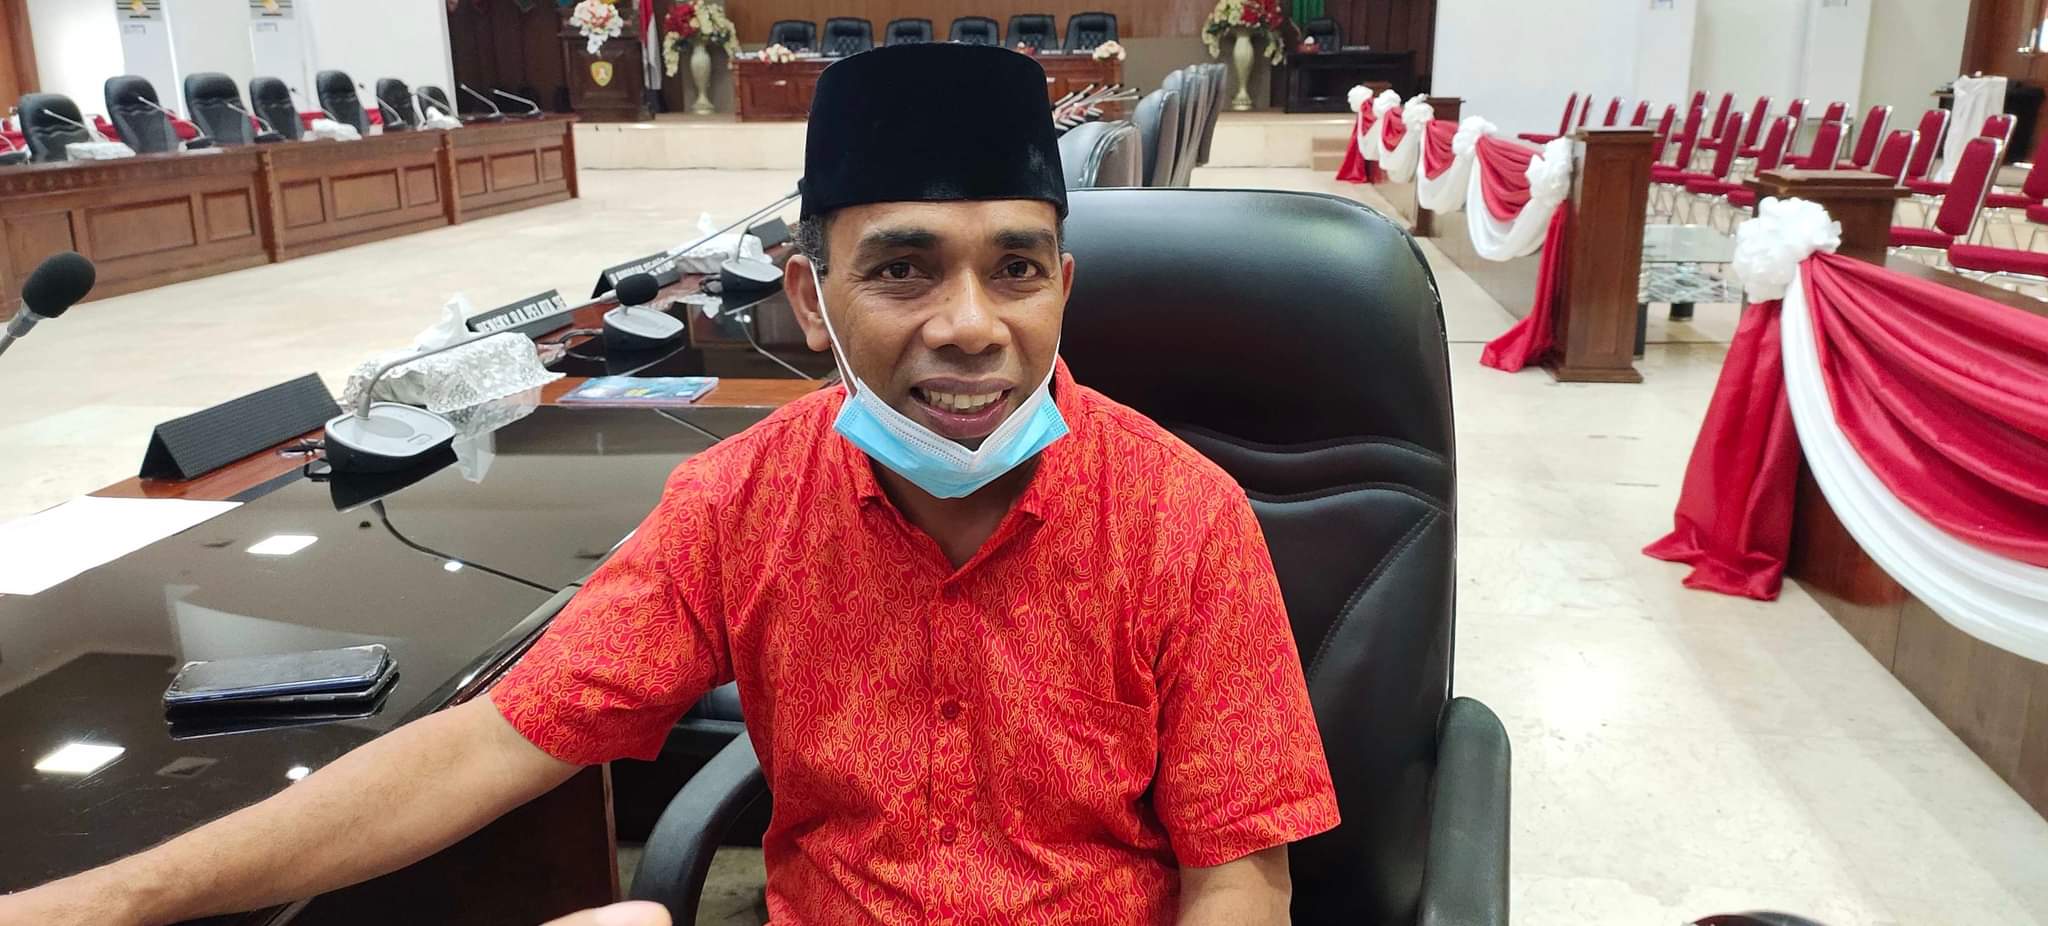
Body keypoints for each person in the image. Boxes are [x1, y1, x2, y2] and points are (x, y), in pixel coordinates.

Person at [0, 43, 1336, 926]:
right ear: (809, 296)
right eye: (904, 269)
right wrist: (107, 900)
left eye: (1017, 268)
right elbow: (492, 741)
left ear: (1063, 285)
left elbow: (1242, 881)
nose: (971, 325)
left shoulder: (1183, 516)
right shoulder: (743, 503)